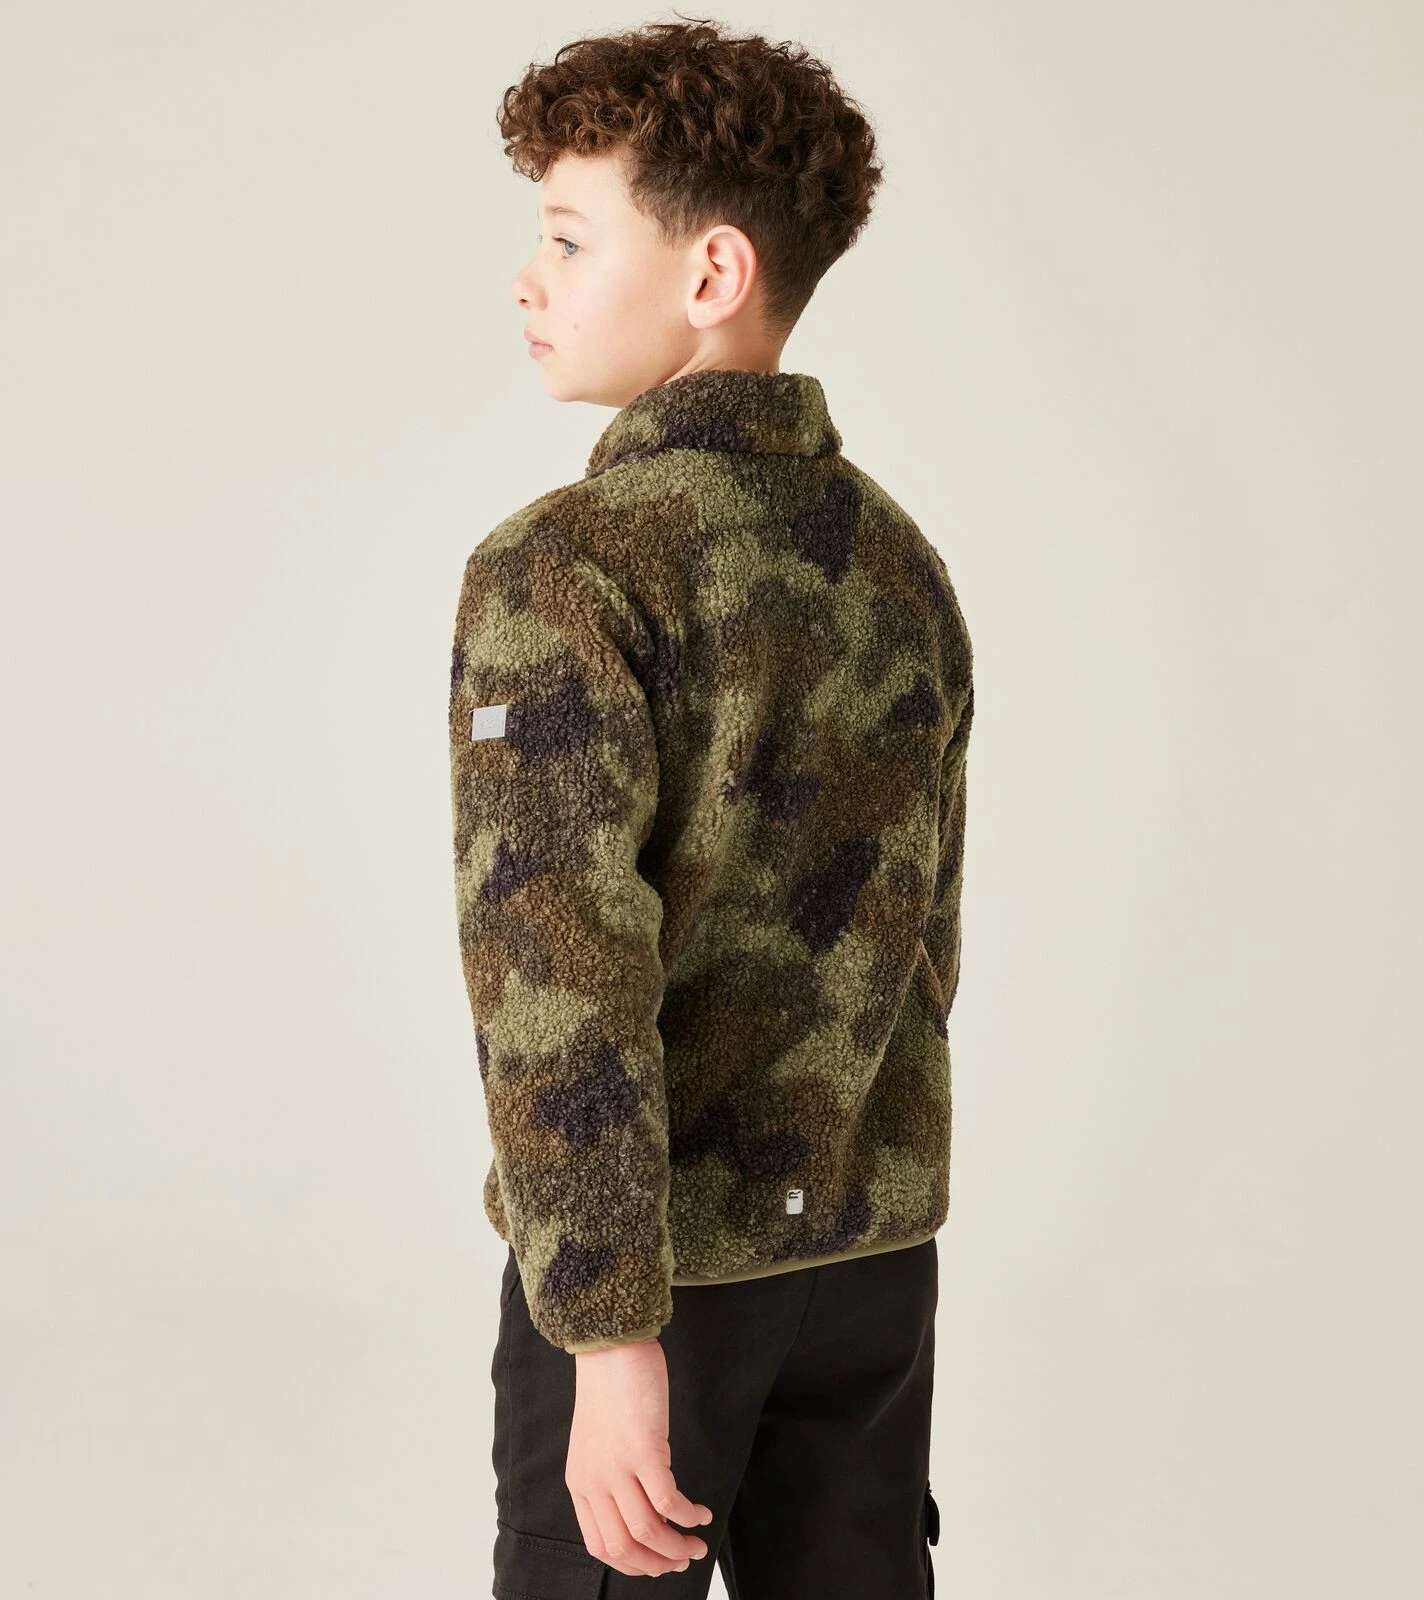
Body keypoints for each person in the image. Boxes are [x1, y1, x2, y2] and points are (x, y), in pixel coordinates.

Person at [446, 18, 972, 1598]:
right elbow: (920, 942)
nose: (527, 279)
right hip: (869, 1271)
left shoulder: (565, 568)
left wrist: (609, 1336)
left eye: (567, 237)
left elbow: (558, 971)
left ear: (713, 272)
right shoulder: (898, 561)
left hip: (660, 1287)